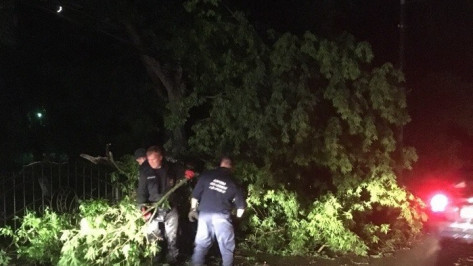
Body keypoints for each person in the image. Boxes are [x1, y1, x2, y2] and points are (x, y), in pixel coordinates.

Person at [188, 156, 246, 266]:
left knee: (201, 245)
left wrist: (193, 209)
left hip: (204, 215)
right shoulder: (234, 182)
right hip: (221, 216)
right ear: (232, 167)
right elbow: (240, 209)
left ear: (220, 164)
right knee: (227, 248)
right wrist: (236, 219)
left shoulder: (206, 175)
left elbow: (195, 195)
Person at [137, 145, 179, 264]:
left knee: (172, 235)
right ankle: (155, 258)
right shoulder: (145, 171)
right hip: (152, 207)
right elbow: (141, 192)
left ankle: (172, 259)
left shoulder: (169, 167)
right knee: (153, 236)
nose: (151, 162)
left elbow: (180, 172)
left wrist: (188, 173)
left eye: (154, 159)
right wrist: (143, 208)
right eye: (149, 160)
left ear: (160, 157)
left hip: (170, 206)